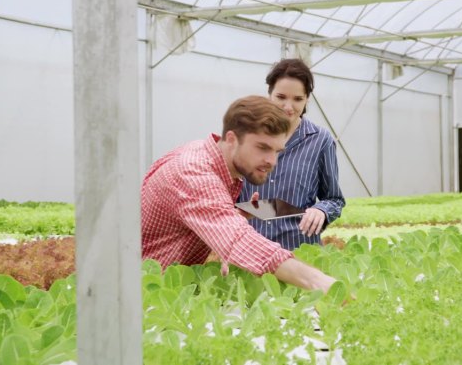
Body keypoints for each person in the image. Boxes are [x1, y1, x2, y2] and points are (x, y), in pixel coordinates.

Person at [141, 95, 336, 293]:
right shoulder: (193, 173)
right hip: (144, 295)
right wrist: (319, 282)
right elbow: (239, 240)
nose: (272, 161)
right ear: (232, 139)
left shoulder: (208, 155)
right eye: (262, 147)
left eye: (277, 151)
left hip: (168, 288)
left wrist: (233, 217)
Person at [239, 59, 345, 250]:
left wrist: (321, 210)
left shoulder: (321, 140)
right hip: (251, 251)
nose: (288, 107)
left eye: (298, 99)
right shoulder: (246, 135)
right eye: (281, 97)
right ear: (269, 94)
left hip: (299, 250)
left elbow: (334, 199)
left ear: (307, 99)